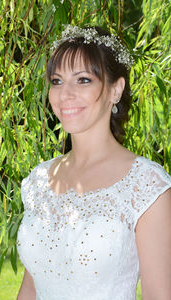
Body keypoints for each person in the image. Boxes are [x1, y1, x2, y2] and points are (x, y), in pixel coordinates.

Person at [16, 25, 171, 300]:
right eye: (57, 80)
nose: (66, 94)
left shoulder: (146, 186)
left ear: (116, 89)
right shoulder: (38, 181)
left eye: (83, 80)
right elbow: (30, 288)